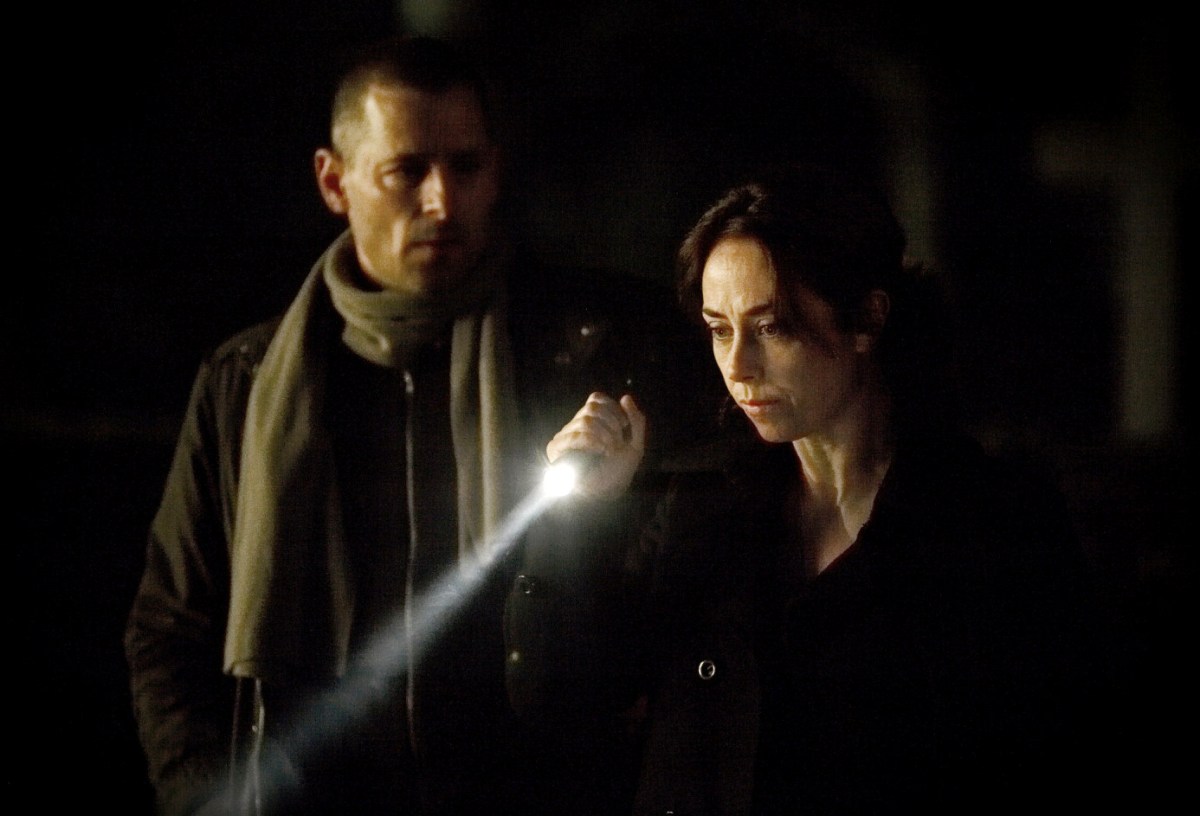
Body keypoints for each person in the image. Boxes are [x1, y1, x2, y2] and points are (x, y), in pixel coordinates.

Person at [124, 34, 715, 816]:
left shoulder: (589, 352)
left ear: (496, 170)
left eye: (465, 167)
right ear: (334, 182)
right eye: (406, 171)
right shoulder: (248, 379)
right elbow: (171, 628)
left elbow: (676, 608)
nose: (442, 201)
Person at [515, 162, 1123, 813]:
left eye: (772, 326)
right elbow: (562, 702)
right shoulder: (701, 503)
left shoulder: (990, 521)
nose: (738, 366)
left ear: (866, 319)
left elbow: (1057, 751)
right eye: (720, 329)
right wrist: (582, 517)